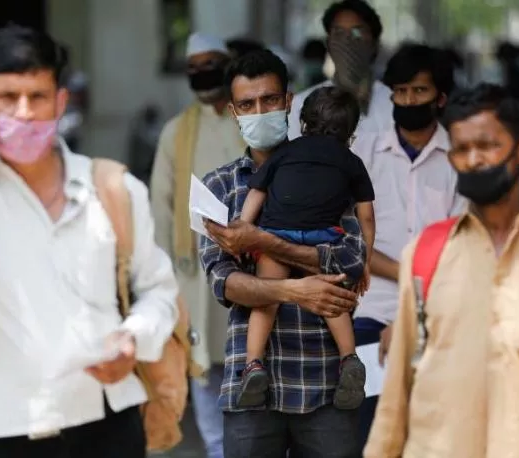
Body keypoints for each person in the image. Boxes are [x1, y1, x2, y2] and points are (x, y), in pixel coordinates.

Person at [0, 25, 178, 458]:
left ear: (60, 101)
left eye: (38, 96)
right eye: (8, 97)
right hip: (6, 429)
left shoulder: (111, 189)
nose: (25, 112)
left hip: (109, 424)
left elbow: (158, 290)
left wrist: (133, 339)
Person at [364, 83, 519, 457]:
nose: (473, 159)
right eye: (461, 149)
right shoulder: (426, 253)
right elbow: (397, 396)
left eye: (487, 145)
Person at [200, 49, 365, 457]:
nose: (260, 112)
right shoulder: (218, 188)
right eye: (247, 105)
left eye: (270, 100)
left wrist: (263, 243)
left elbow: (353, 259)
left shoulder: (335, 172)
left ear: (289, 102)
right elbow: (225, 283)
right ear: (233, 112)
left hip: (326, 384)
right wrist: (296, 290)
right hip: (251, 391)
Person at [352, 43, 466, 444]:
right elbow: (352, 239)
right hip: (373, 308)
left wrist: (415, 298)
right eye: (400, 91)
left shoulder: (459, 156)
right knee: (371, 430)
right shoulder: (364, 151)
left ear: (441, 98)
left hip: (442, 310)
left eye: (419, 91)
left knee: (433, 431)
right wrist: (407, 277)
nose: (409, 100)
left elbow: (463, 245)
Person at [236, 86, 375, 410]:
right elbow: (366, 216)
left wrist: (243, 228)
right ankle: (349, 358)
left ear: (302, 122)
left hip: (276, 235)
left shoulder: (284, 153)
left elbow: (257, 192)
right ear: (351, 131)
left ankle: (253, 364)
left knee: (267, 298)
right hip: (323, 239)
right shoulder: (351, 161)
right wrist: (365, 260)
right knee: (333, 299)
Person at [150, 31, 243, 458]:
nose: (203, 73)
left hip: (253, 262)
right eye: (194, 67)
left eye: (211, 63)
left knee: (252, 363)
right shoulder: (176, 133)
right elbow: (161, 206)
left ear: (228, 64)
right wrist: (165, 275)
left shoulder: (250, 118)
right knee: (204, 368)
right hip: (197, 273)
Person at [288, 0, 393, 143]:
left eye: (357, 32)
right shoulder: (302, 105)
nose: (347, 41)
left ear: (374, 43)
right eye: (338, 33)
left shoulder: (395, 104)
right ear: (329, 43)